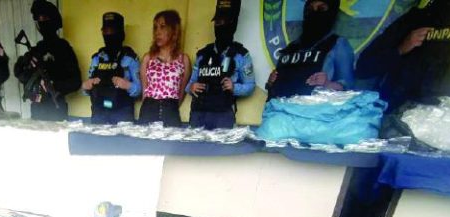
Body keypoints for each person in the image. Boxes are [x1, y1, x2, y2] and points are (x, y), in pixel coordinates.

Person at [356, 0, 450, 111]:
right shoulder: (417, 14)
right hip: (389, 108)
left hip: (434, 118)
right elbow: (364, 68)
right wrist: (402, 48)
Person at [186, 0, 255, 129]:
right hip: (199, 113)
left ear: (233, 24)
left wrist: (234, 87)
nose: (220, 26)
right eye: (218, 22)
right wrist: (192, 87)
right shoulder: (203, 54)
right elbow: (189, 84)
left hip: (223, 115)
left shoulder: (241, 55)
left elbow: (250, 86)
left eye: (225, 22)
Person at [265, 0, 354, 100]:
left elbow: (348, 89)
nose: (314, 13)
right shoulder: (292, 47)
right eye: (310, 9)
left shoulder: (338, 44)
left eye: (321, 9)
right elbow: (275, 89)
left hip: (318, 108)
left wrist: (327, 84)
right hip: (283, 108)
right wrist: (271, 83)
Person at [14, 0, 81, 121]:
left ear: (53, 20)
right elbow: (22, 76)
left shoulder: (63, 48)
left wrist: (54, 85)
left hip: (56, 108)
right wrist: (22, 63)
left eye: (45, 18)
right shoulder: (36, 49)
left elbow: (76, 81)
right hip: (37, 108)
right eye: (39, 19)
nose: (42, 22)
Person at [82, 12, 142, 125]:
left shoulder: (130, 58)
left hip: (122, 113)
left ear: (121, 33)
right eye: (105, 31)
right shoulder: (97, 58)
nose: (109, 34)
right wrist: (86, 85)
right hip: (99, 112)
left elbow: (139, 90)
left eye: (112, 31)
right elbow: (87, 89)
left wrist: (127, 85)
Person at [139, 10, 192, 127]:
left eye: (162, 27)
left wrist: (169, 108)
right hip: (148, 111)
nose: (157, 32)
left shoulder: (183, 60)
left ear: (174, 30)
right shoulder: (148, 58)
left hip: (171, 113)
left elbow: (181, 93)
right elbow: (144, 92)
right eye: (155, 28)